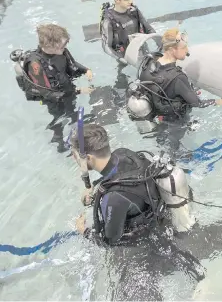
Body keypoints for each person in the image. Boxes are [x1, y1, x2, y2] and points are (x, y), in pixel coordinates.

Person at [69, 122, 203, 299]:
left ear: (88, 158)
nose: (75, 159)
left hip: (143, 246)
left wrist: (84, 231)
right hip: (161, 219)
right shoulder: (124, 154)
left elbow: (110, 240)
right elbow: (129, 184)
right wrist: (94, 191)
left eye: (76, 156)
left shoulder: (113, 198)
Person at [126, 28, 222, 156]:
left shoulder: (148, 64)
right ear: (173, 50)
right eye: (184, 47)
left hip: (157, 118)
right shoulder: (178, 77)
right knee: (176, 151)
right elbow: (197, 103)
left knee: (165, 147)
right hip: (176, 123)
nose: (187, 50)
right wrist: (217, 101)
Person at [9, 23, 94, 153]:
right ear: (49, 45)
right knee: (58, 116)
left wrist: (85, 70)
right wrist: (79, 91)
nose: (65, 46)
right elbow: (47, 93)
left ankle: (74, 122)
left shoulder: (61, 51)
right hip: (54, 100)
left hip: (67, 90)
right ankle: (59, 140)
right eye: (63, 44)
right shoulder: (35, 64)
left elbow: (72, 63)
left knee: (71, 109)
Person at [99, 0, 157, 65]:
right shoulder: (109, 20)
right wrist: (120, 58)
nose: (130, 1)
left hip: (141, 49)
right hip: (123, 56)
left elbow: (149, 29)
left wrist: (160, 42)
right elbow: (106, 46)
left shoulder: (134, 11)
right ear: (117, 0)